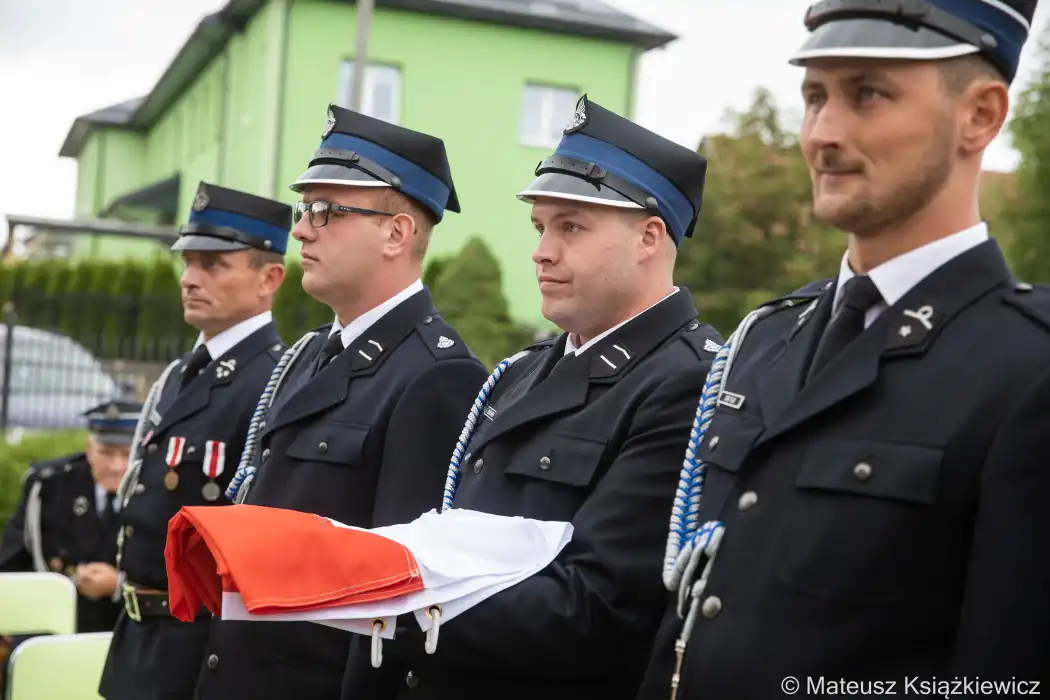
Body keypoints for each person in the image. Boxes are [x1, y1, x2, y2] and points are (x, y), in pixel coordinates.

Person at [637, 1, 1050, 698]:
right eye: (814, 97)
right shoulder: (767, 340)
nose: (823, 133)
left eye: (868, 95)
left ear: (980, 116)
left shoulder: (1028, 370)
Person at [338, 94, 722, 700]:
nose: (542, 250)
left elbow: (597, 609)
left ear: (650, 237)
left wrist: (380, 585)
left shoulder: (687, 382)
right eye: (541, 228)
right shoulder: (523, 372)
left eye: (571, 227)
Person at [191, 104, 490, 700]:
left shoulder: (438, 376)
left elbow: (395, 600)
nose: (303, 230)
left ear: (396, 233)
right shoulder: (309, 354)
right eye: (305, 210)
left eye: (327, 211)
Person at [97, 182, 290, 700]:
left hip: (201, 649)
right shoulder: (180, 373)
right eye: (187, 262)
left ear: (269, 278)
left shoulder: (275, 381)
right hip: (137, 635)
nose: (189, 278)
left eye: (213, 264)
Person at [0, 399, 142, 689]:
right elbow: (13, 558)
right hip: (53, 630)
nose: (116, 466)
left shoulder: (154, 492)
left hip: (126, 630)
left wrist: (119, 584)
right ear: (89, 449)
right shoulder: (49, 485)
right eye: (106, 452)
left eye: (126, 454)